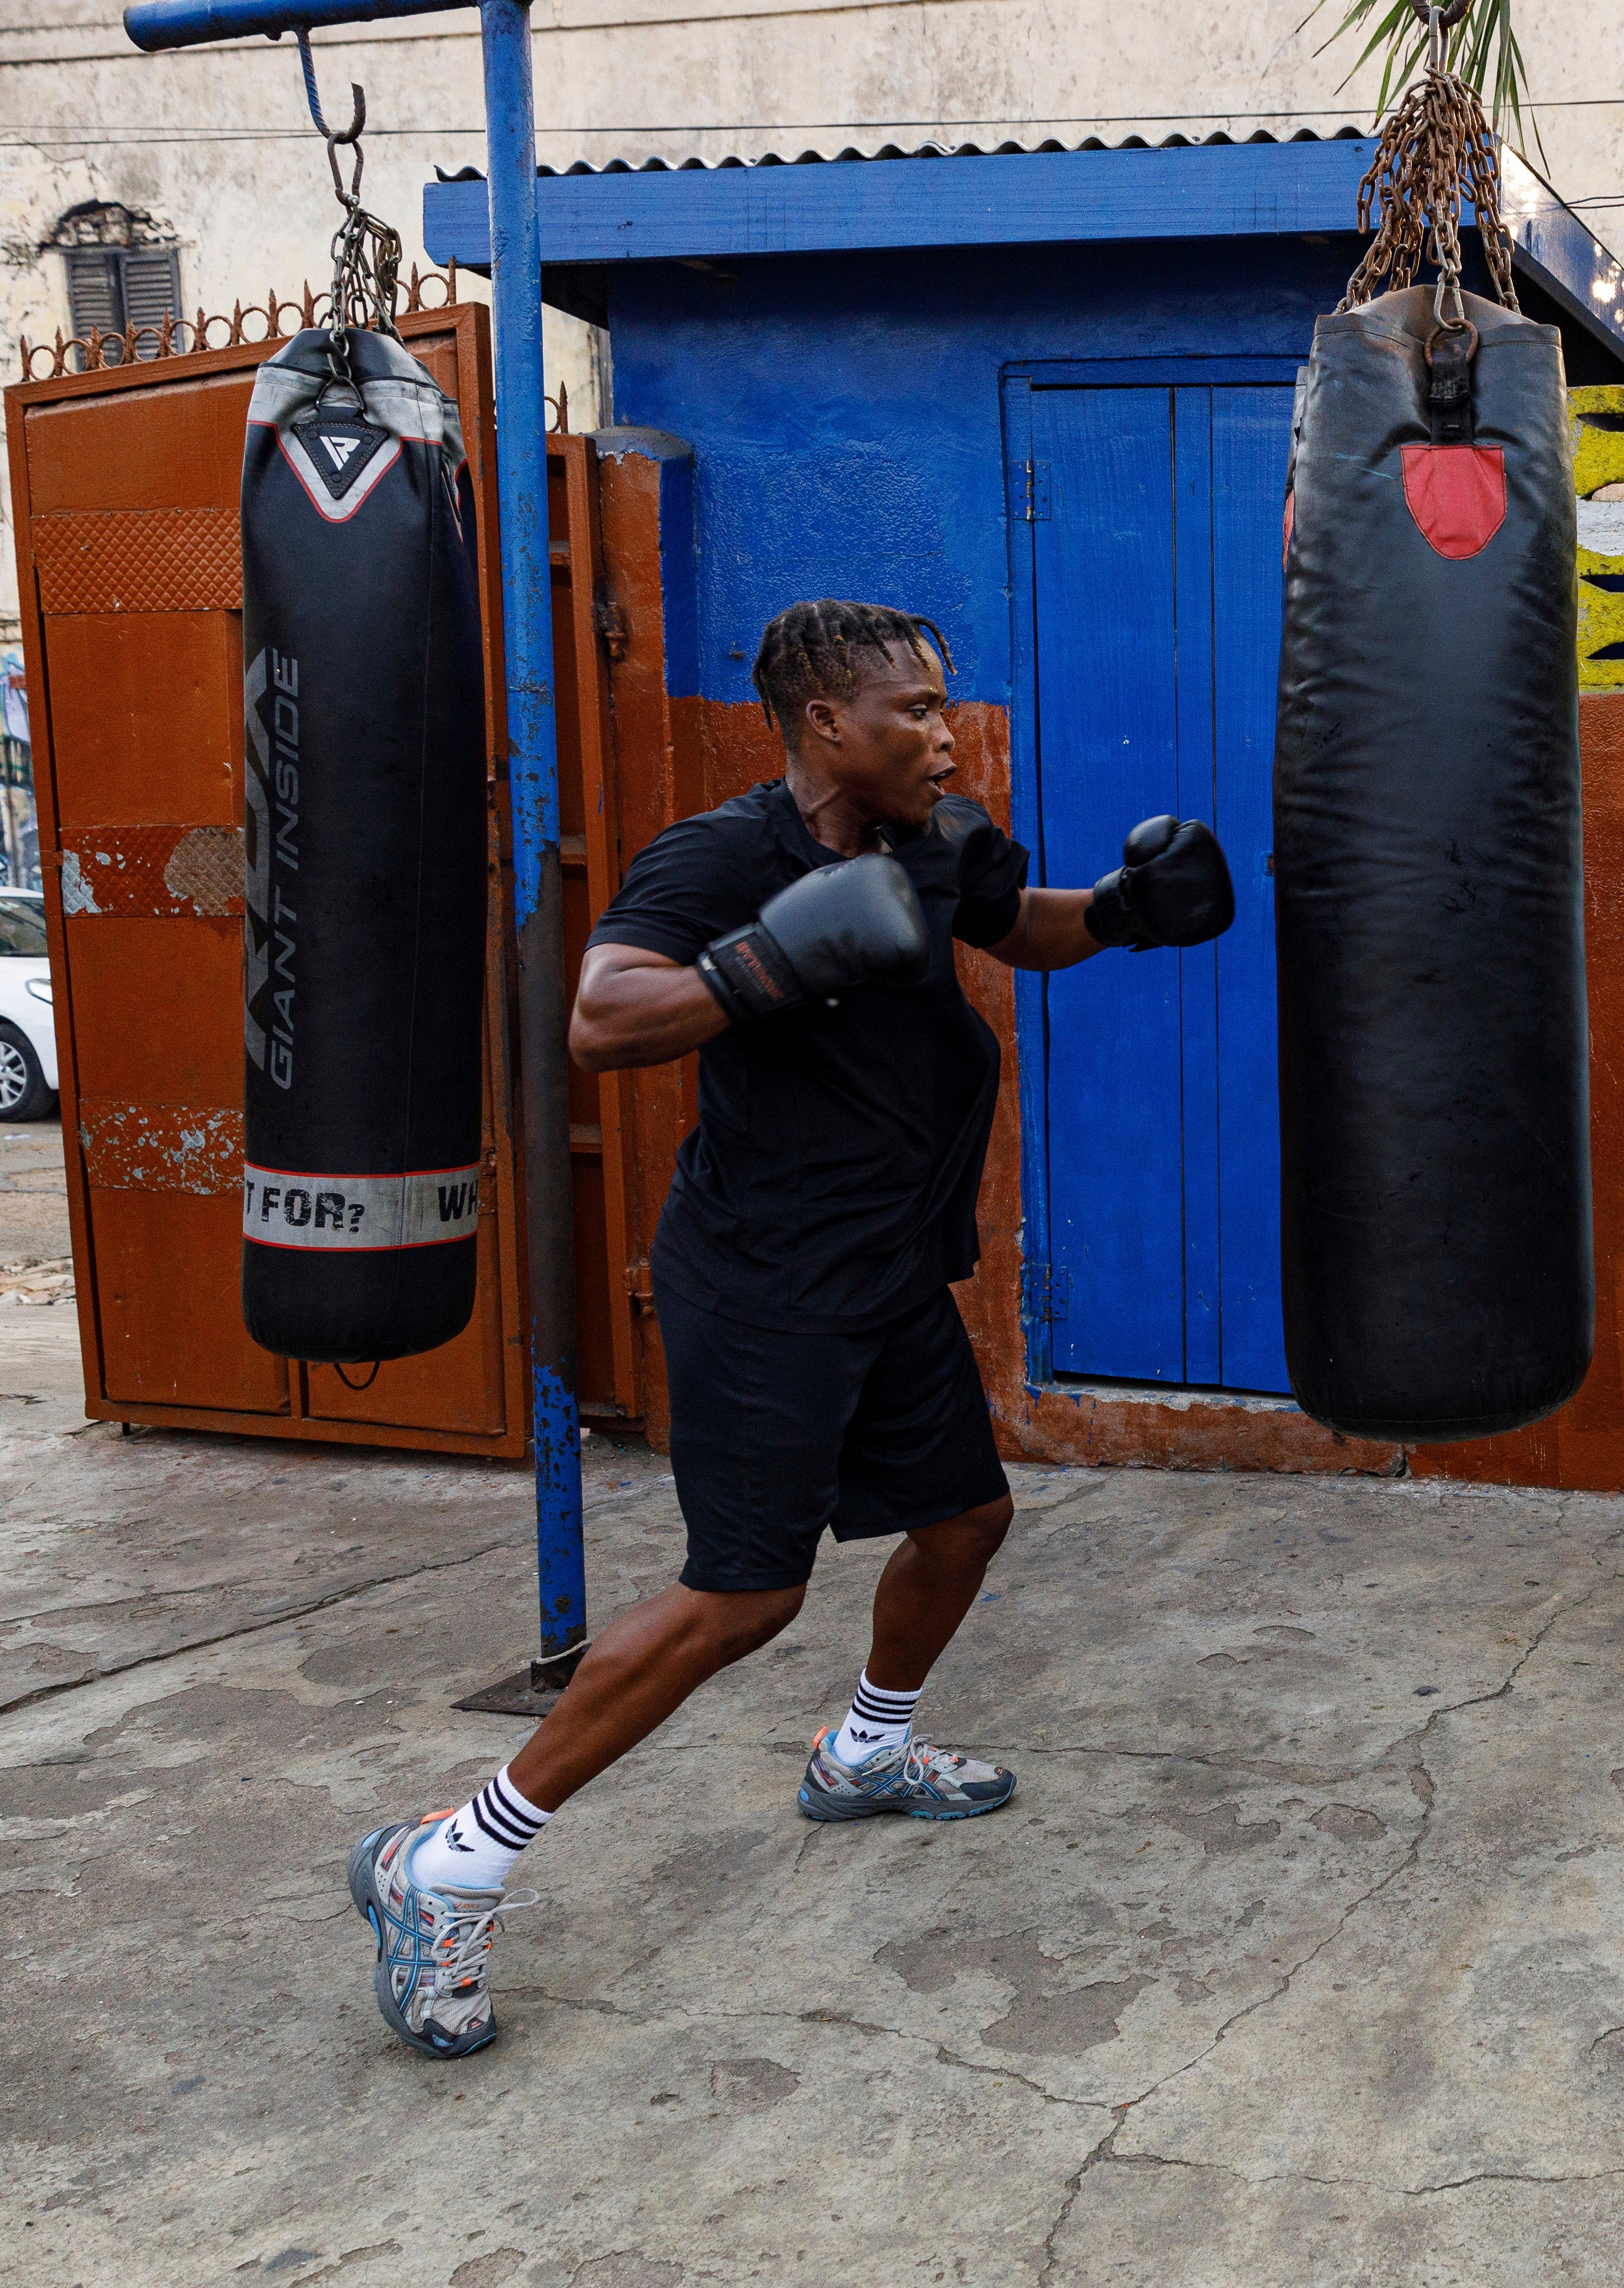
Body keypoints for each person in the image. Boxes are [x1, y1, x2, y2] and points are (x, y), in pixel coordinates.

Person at [348, 600, 1239, 2057]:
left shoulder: (943, 845)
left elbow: (1029, 934)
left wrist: (1128, 914)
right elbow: (602, 1017)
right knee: (744, 1597)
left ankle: (865, 1751)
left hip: (887, 1269)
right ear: (828, 725)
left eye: (947, 705)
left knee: (961, 1517)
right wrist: (756, 967)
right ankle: (446, 1859)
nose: (945, 734)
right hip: (761, 1282)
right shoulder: (721, 859)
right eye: (912, 712)